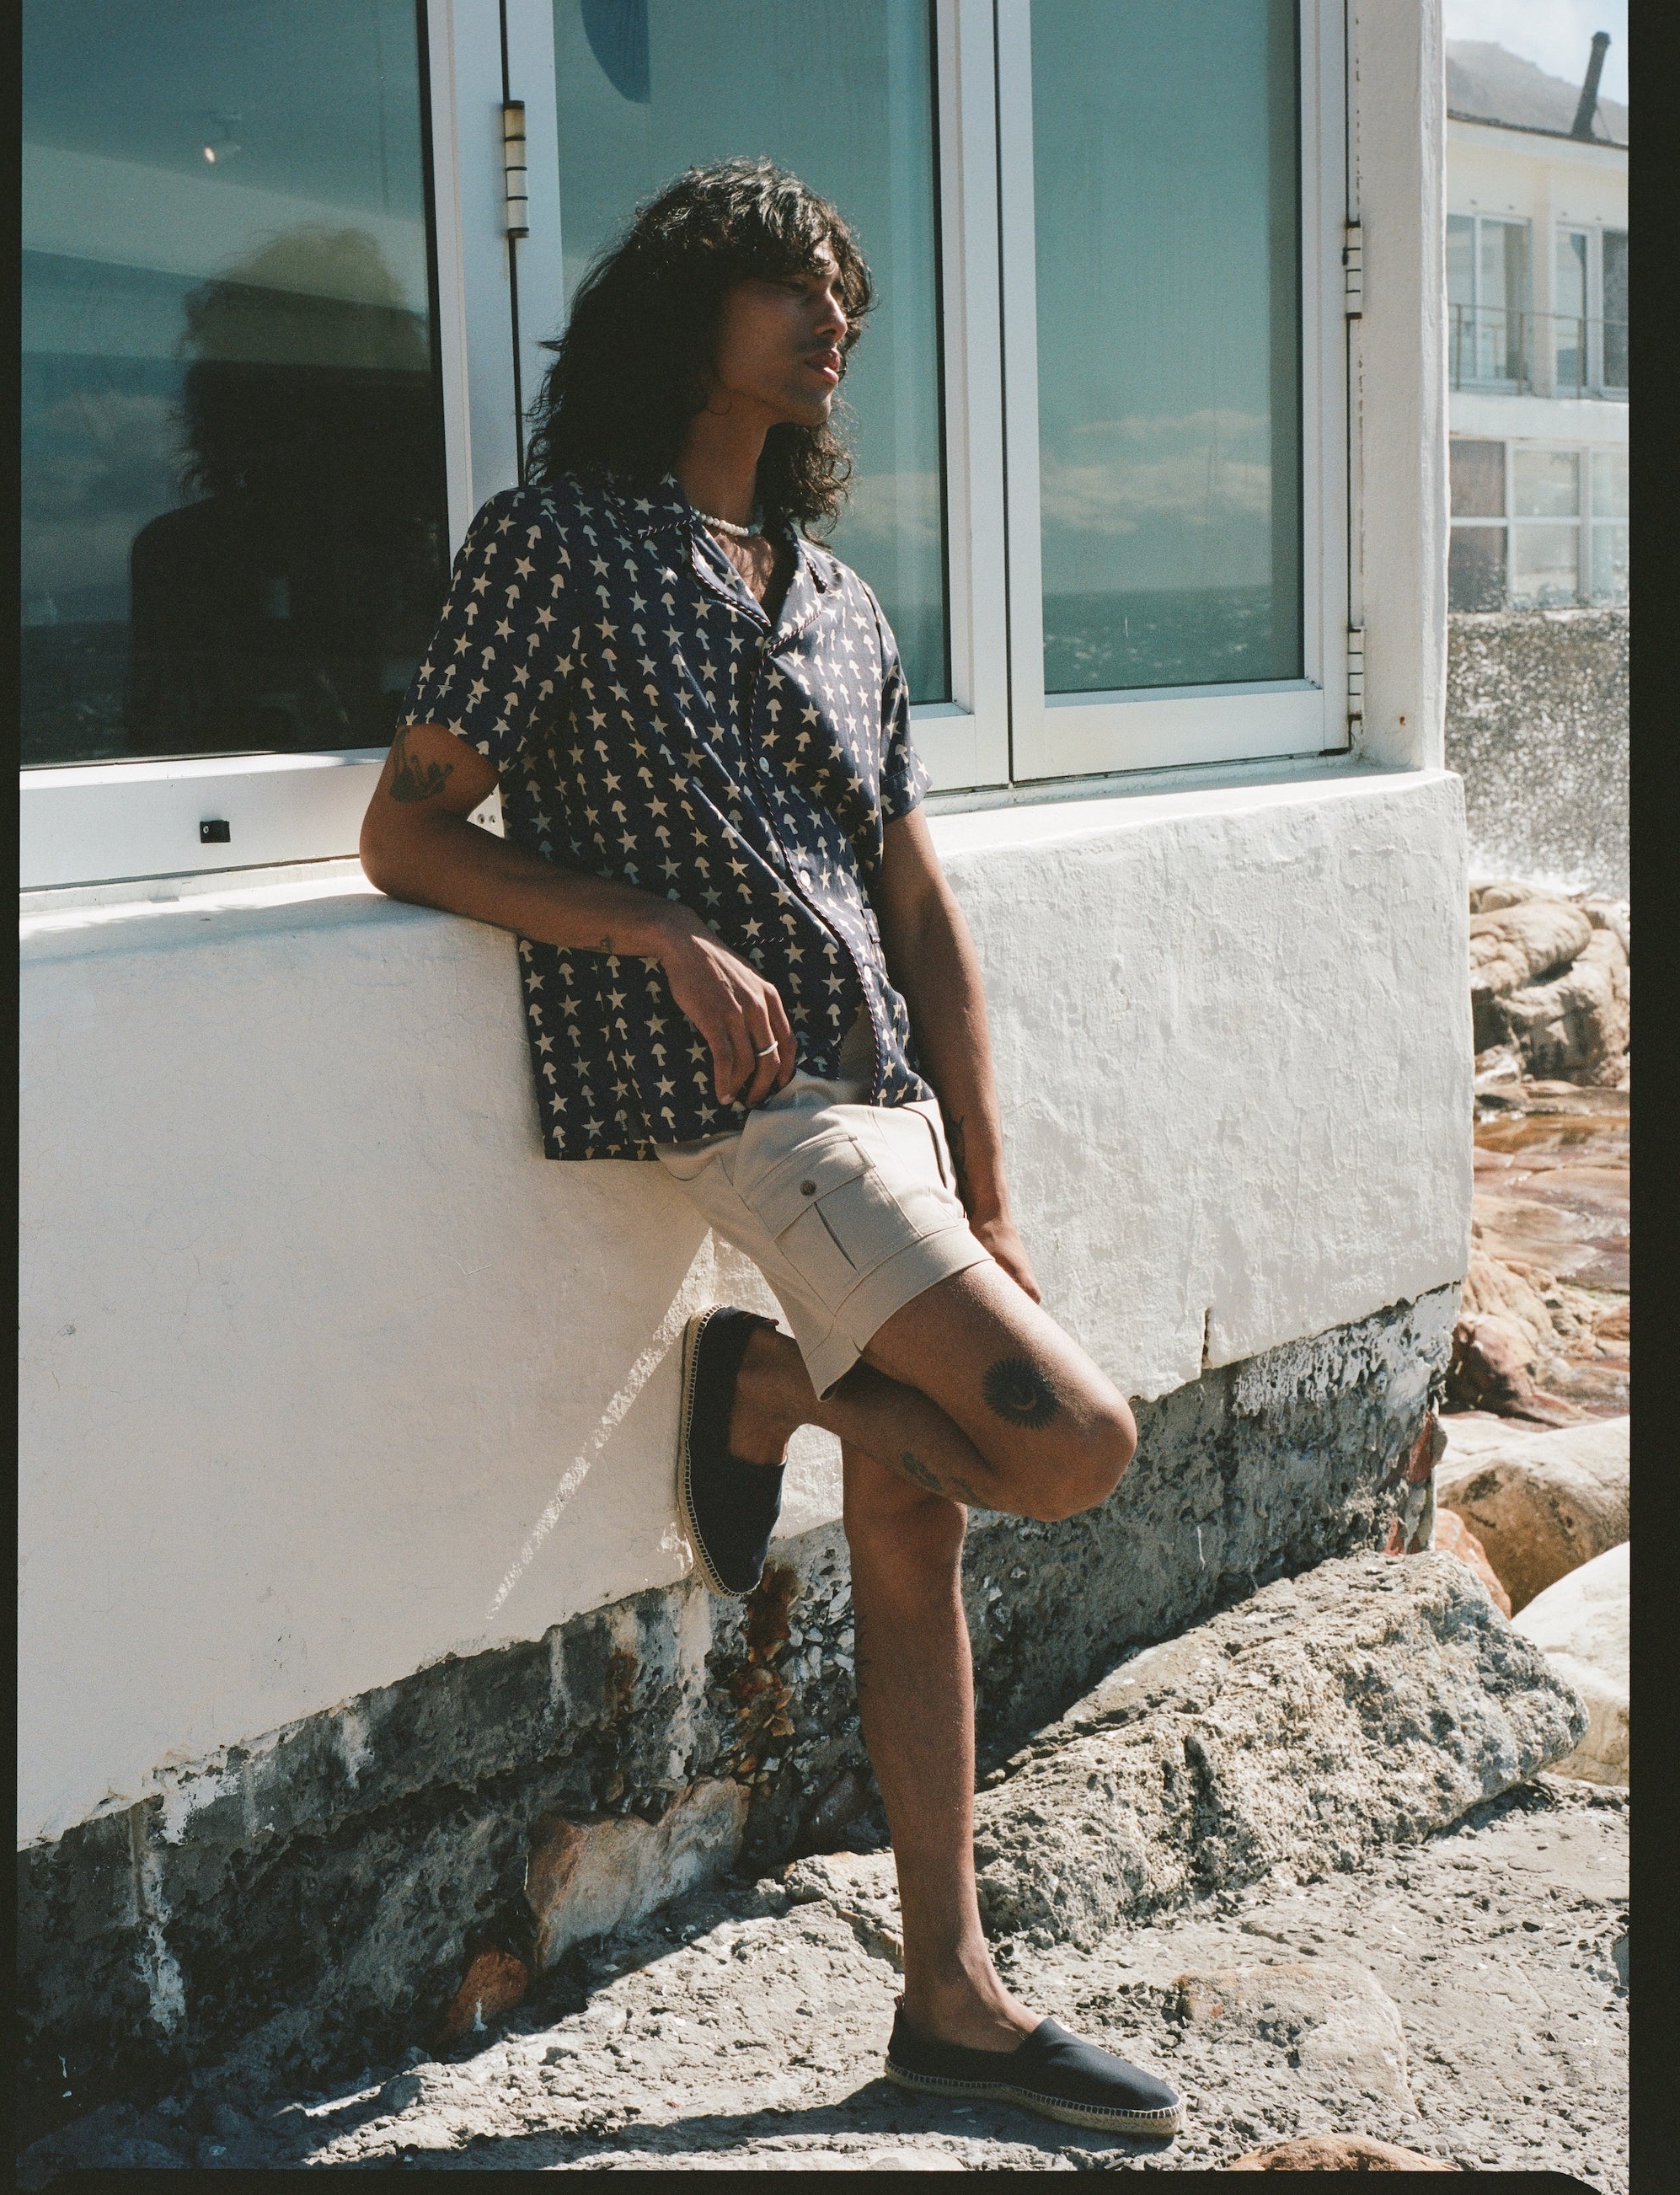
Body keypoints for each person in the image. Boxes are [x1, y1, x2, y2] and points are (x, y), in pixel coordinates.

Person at [360, 158, 1182, 2139]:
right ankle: (772, 1390)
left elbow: (914, 899)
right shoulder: (554, 544)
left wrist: (984, 1175)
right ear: (687, 309)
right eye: (791, 286)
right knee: (1072, 1442)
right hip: (745, 1106)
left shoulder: (841, 606)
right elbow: (407, 834)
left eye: (849, 304)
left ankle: (948, 2003)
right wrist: (642, 923)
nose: (833, 324)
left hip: (880, 1098)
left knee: (928, 1524)